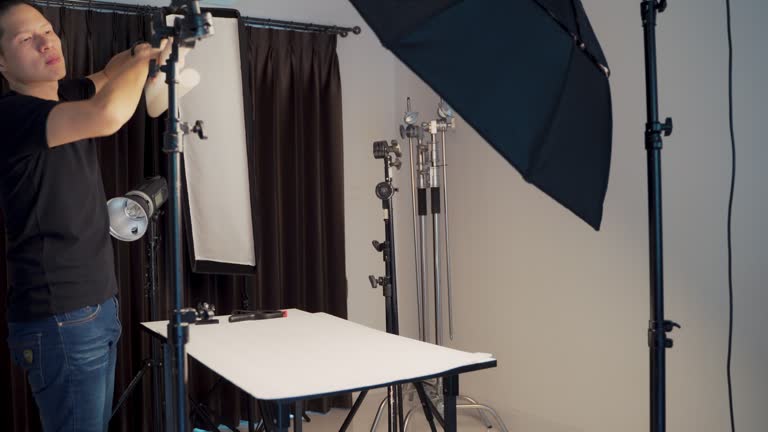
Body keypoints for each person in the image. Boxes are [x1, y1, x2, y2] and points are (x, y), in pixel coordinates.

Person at [0, 1, 173, 430]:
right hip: (62, 316)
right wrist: (150, 61)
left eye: (47, 30)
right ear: (2, 62)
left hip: (93, 308)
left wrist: (139, 53)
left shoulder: (65, 93)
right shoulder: (12, 115)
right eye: (26, 39)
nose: (46, 42)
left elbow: (110, 74)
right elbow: (109, 114)